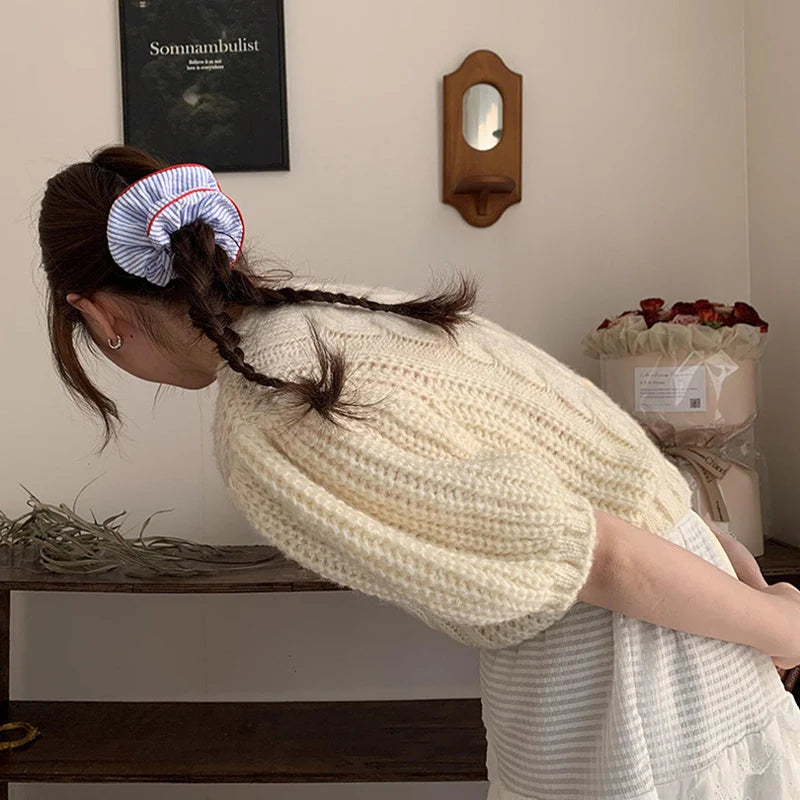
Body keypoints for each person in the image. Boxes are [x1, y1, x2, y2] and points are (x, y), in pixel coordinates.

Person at [36, 144, 800, 799]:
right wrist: (739, 578)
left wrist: (781, 626)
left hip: (622, 686)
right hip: (689, 615)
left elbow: (593, 554)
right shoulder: (342, 315)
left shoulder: (272, 412)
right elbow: (607, 462)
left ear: (99, 315)